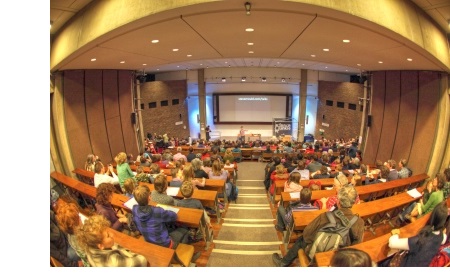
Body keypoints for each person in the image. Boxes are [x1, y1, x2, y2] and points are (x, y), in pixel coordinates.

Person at [272, 183, 364, 267]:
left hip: (320, 254)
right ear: (353, 202)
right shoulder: (359, 222)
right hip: (342, 259)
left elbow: (307, 234)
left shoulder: (325, 216)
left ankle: (283, 263)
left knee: (301, 239)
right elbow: (356, 246)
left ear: (338, 201)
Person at [384, 201, 448, 267]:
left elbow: (392, 243)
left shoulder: (420, 240)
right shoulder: (442, 237)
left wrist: (396, 234)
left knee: (385, 260)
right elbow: (444, 238)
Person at [76, 214, 147, 267]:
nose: (112, 235)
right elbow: (143, 261)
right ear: (101, 246)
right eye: (108, 235)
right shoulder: (114, 262)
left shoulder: (90, 249)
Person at [132, 184, 189, 249]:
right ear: (149, 198)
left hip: (149, 240)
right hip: (164, 244)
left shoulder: (134, 209)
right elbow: (174, 216)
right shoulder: (156, 211)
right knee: (185, 229)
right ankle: (181, 251)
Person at [56, 201, 90, 266]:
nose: (80, 217)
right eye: (78, 217)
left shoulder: (70, 233)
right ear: (74, 226)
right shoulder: (82, 237)